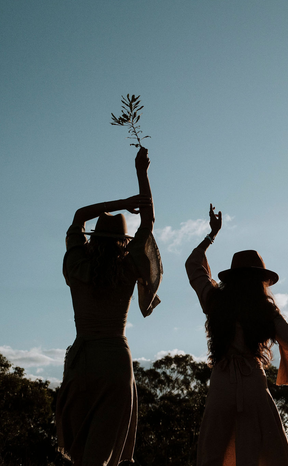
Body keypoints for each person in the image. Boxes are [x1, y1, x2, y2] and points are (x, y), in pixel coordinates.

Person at [186, 204, 288, 466]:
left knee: (211, 453)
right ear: (260, 280)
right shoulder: (265, 311)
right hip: (252, 382)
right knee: (254, 454)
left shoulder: (215, 300)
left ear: (232, 278)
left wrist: (211, 235)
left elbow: (193, 264)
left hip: (222, 380)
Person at [56, 147, 162, 466]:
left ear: (93, 238)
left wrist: (119, 204)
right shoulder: (128, 267)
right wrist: (142, 175)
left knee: (81, 454)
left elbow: (78, 216)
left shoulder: (76, 265)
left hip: (82, 361)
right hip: (115, 360)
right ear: (122, 244)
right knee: (104, 454)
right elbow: (149, 222)